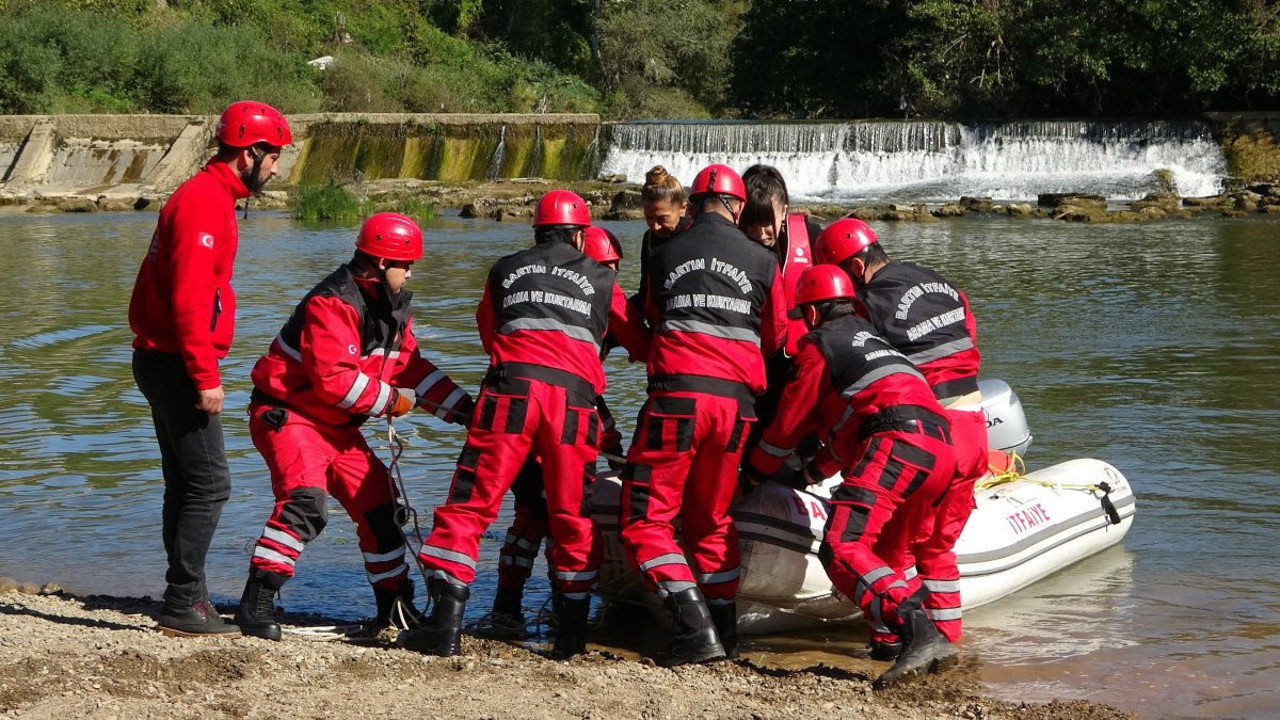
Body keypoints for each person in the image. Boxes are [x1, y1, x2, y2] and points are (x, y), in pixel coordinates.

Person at [403, 191, 650, 659]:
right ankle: (571, 638)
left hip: (510, 393)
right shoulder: (600, 277)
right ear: (581, 235)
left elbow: (487, 333)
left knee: (470, 504)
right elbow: (638, 341)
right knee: (573, 515)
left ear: (535, 231)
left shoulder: (503, 270)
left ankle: (444, 628)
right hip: (574, 404)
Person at [232, 212, 474, 641]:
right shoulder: (333, 302)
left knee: (382, 510)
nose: (411, 273)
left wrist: (466, 412)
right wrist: (394, 403)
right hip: (291, 417)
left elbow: (411, 368)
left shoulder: (392, 308)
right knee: (306, 503)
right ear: (382, 264)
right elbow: (334, 382)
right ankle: (257, 604)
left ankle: (394, 607)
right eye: (407, 265)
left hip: (336, 428)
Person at [743, 264, 960, 688]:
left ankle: (917, 626)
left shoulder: (820, 344)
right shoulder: (877, 346)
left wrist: (755, 472)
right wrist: (810, 472)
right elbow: (849, 431)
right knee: (887, 551)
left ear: (810, 313)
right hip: (940, 450)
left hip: (898, 443)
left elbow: (789, 422)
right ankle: (896, 643)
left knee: (843, 545)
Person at [128, 100, 291, 637]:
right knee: (212, 483)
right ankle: (182, 600)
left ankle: (187, 595)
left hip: (160, 358)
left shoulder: (211, 195)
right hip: (176, 362)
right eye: (273, 158)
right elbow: (190, 299)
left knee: (185, 482)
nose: (276, 168)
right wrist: (205, 377)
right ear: (249, 152)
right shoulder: (204, 202)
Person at [619, 163, 788, 665]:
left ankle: (695, 633)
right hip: (735, 409)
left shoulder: (664, 249)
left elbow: (650, 312)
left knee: (646, 522)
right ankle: (724, 634)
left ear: (691, 204)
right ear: (738, 208)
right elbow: (776, 338)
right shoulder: (762, 259)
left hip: (677, 400)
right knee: (712, 522)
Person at [813, 217, 988, 654]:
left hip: (930, 435)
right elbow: (970, 340)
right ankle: (949, 640)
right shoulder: (940, 282)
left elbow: (865, 373)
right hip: (975, 429)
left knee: (892, 545)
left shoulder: (867, 305)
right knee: (938, 549)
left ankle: (897, 643)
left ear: (852, 269)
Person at [484, 226, 629, 636]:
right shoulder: (590, 292)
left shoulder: (593, 296)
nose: (614, 278)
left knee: (546, 517)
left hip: (544, 406)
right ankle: (517, 610)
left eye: (617, 270)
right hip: (544, 414)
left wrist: (618, 453)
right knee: (539, 515)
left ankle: (535, 609)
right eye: (610, 269)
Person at [738, 164, 825, 461]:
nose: (759, 233)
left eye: (767, 223)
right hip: (753, 361)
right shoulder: (731, 244)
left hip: (800, 363)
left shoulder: (813, 238)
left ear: (784, 211)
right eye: (750, 223)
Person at [635, 166, 691, 304]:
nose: (655, 226)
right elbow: (645, 292)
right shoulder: (649, 238)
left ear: (683, 209)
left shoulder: (695, 234)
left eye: (662, 219)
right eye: (649, 218)